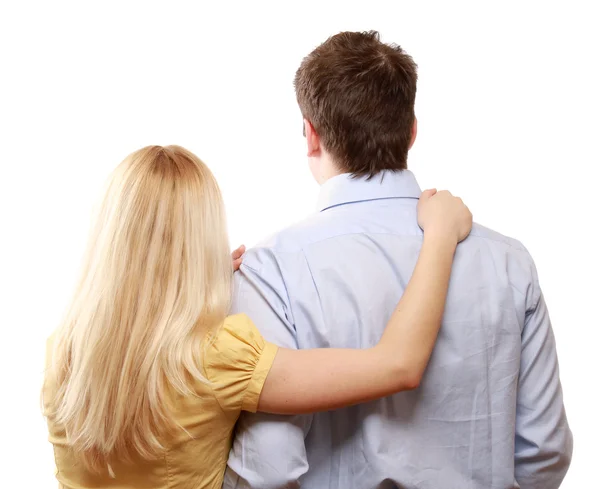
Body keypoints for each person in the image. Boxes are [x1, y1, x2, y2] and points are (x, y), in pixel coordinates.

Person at [224, 31, 573, 489]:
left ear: (310, 134)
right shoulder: (507, 261)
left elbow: (267, 469)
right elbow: (544, 451)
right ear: (411, 130)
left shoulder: (269, 271)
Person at [42, 145, 471, 489]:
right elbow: (399, 364)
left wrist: (196, 285)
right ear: (204, 234)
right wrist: (439, 236)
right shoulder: (216, 356)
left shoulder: (63, 353)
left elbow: (139, 323)